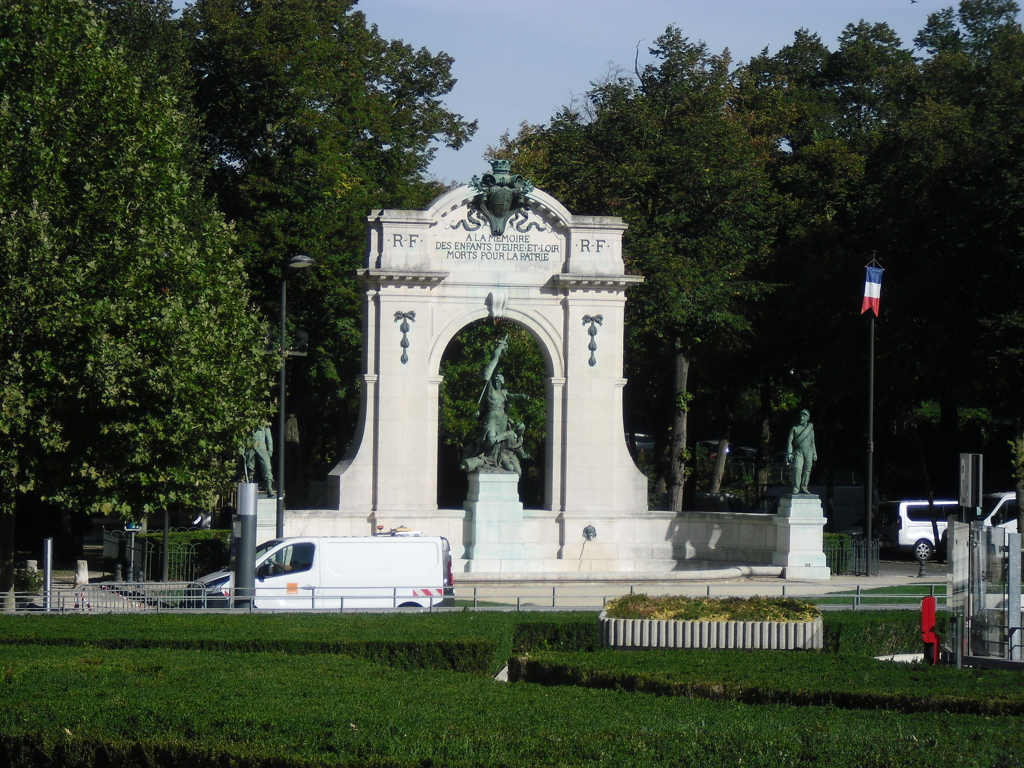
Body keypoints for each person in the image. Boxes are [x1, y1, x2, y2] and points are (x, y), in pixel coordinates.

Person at [785, 409, 817, 495]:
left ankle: (804, 486)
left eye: (804, 416)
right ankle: (796, 487)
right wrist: (789, 453)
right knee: (797, 469)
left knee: (807, 470)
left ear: (808, 418)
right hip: (798, 451)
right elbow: (790, 441)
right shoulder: (794, 429)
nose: (802, 417)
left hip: (809, 451)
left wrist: (814, 453)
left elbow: (812, 442)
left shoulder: (811, 430)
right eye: (801, 416)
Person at [244, 424, 275, 497]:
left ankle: (269, 487)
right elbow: (242, 437)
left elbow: (269, 438)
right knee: (250, 467)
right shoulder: (247, 421)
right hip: (250, 448)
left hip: (262, 448)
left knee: (267, 467)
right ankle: (250, 485)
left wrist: (270, 449)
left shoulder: (264, 424)